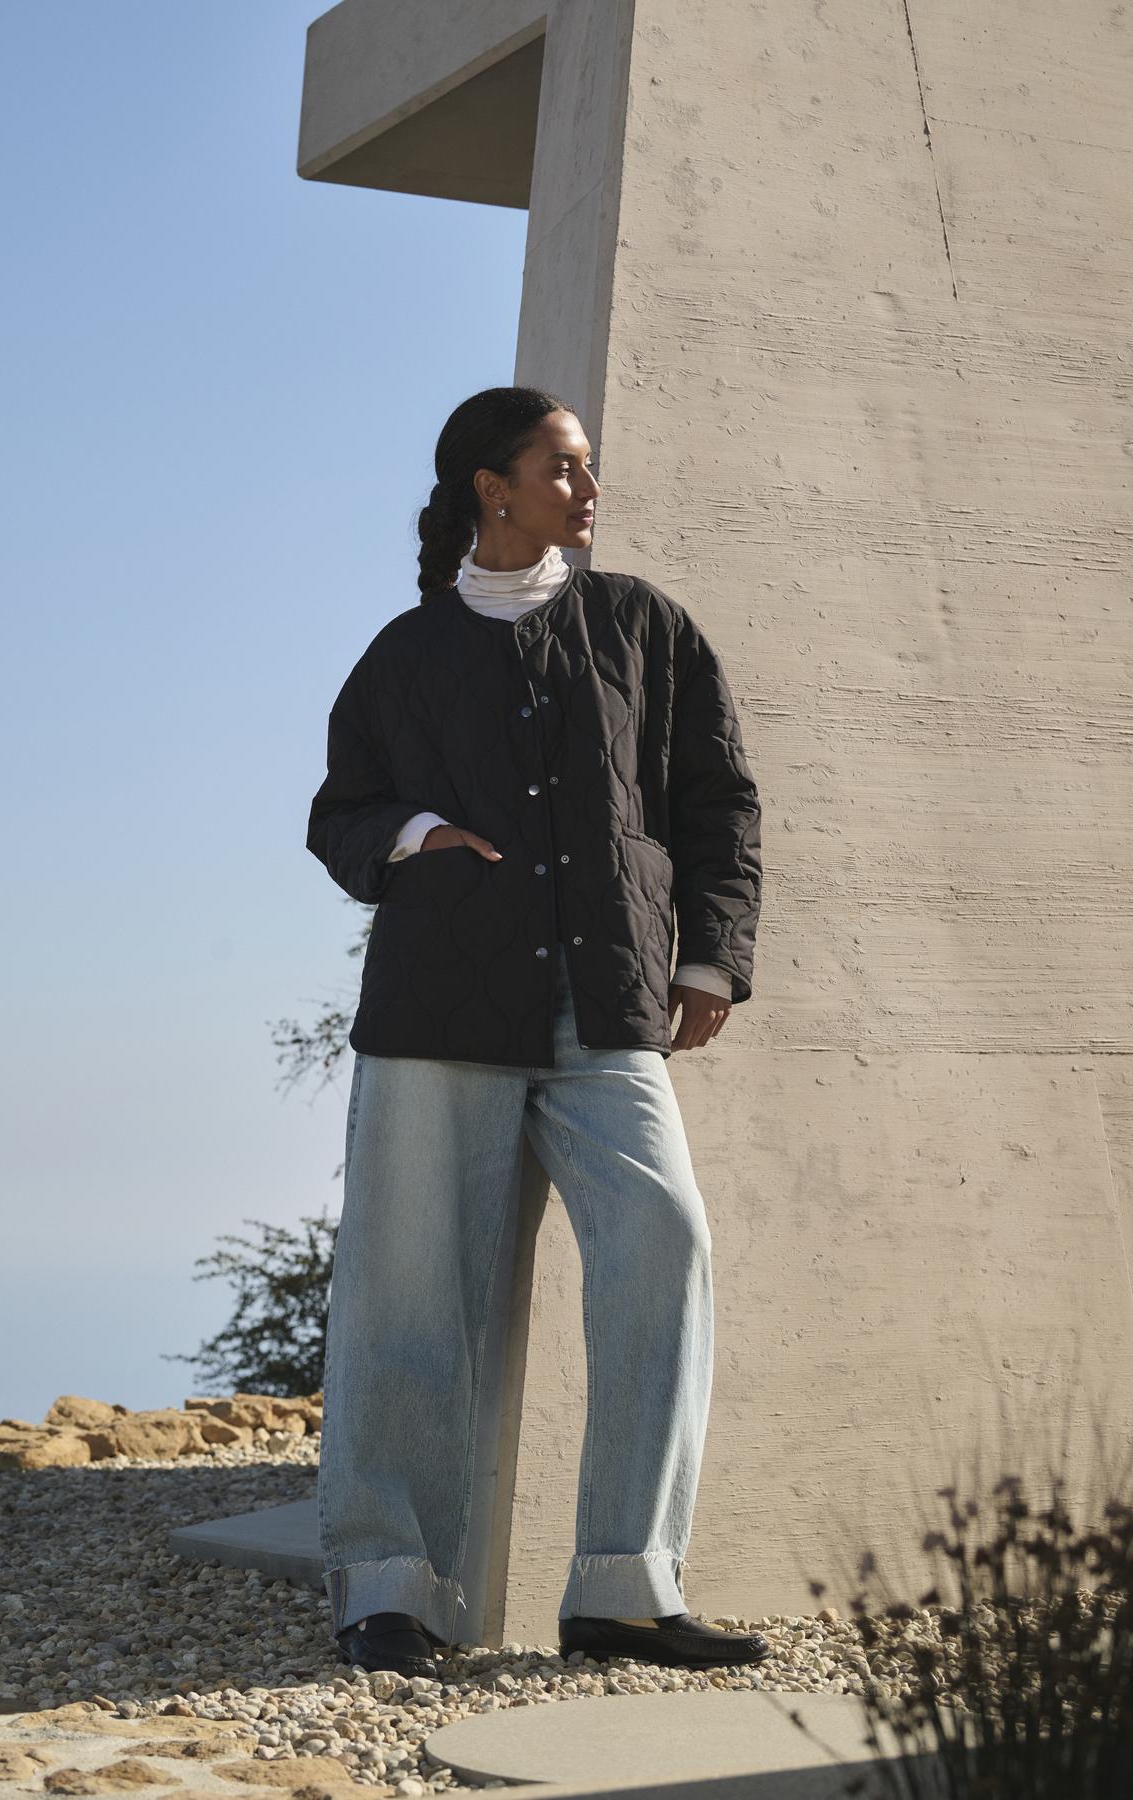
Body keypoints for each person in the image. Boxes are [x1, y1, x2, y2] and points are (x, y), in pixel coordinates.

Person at [306, 385, 766, 1679]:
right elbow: (341, 809)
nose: (587, 486)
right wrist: (415, 839)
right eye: (560, 466)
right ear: (489, 487)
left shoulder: (641, 628)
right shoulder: (406, 653)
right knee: (408, 1301)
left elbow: (718, 798)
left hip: (607, 1002)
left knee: (663, 1243)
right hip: (437, 1009)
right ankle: (391, 1587)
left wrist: (713, 957)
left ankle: (625, 1585)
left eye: (587, 465)